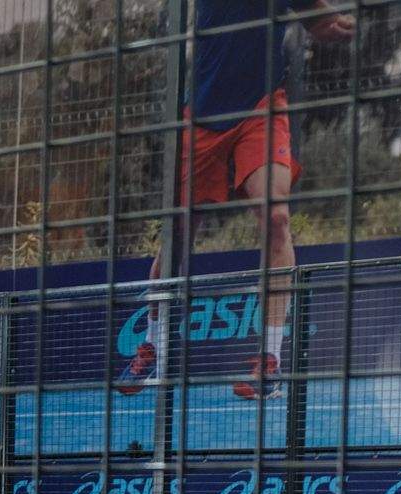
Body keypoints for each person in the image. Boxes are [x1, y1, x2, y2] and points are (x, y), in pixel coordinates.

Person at [118, 0, 355, 400]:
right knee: (176, 235)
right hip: (203, 115)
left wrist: (338, 24)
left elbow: (321, 23)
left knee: (277, 219)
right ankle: (154, 348)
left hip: (261, 108)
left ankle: (270, 361)